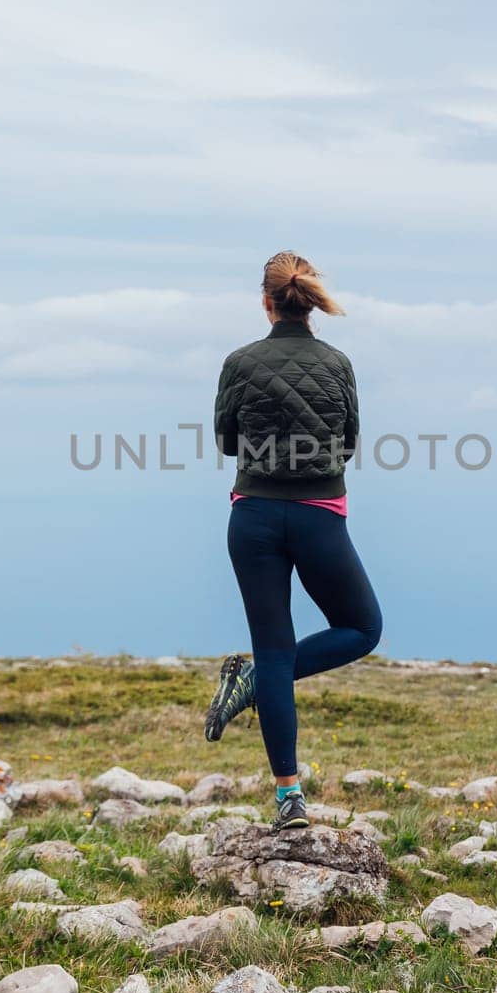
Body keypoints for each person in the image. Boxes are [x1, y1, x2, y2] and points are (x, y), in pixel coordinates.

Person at [205, 251, 383, 829]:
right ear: (310, 300)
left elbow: (228, 443)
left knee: (274, 651)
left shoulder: (239, 361)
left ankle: (289, 800)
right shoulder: (337, 363)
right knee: (362, 629)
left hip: (253, 515)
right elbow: (350, 442)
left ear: (265, 300)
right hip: (318, 516)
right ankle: (255, 677)